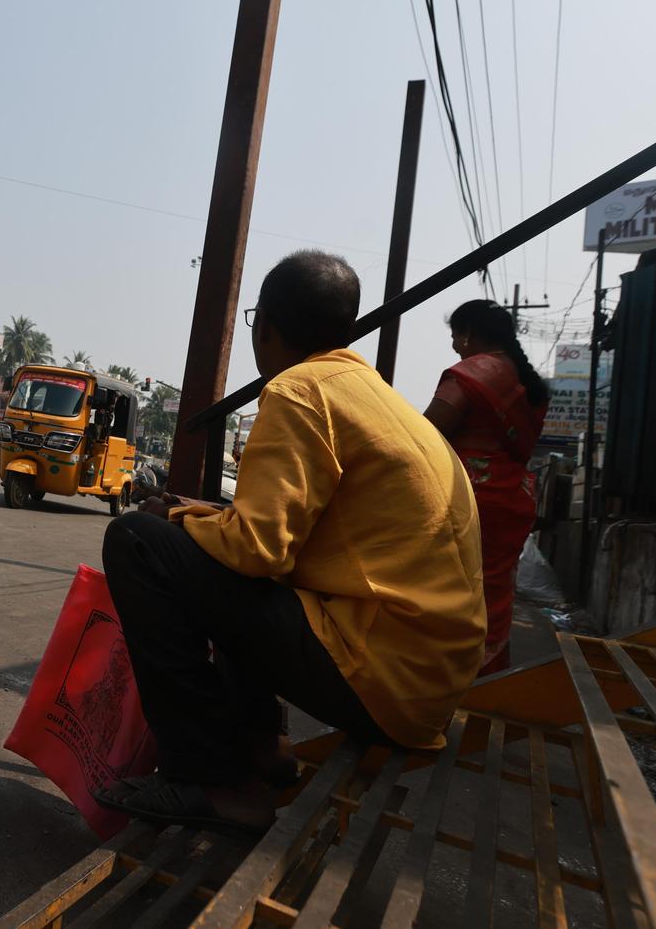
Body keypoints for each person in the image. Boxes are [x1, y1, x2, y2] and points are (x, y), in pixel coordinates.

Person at [94, 251, 485, 836]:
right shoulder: (376, 396)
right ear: (347, 329)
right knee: (215, 559)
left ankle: (216, 780)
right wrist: (197, 517)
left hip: (382, 677)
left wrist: (174, 523)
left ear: (265, 327)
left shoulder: (298, 391)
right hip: (425, 682)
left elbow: (258, 551)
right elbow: (287, 535)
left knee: (136, 540)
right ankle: (264, 748)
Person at [423, 299, 548, 676]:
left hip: (469, 496)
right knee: (492, 595)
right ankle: (488, 681)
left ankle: (434, 685)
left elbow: (426, 432)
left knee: (446, 592)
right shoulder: (527, 382)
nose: (455, 346)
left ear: (471, 333)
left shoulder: (473, 373)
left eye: (456, 336)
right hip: (512, 497)